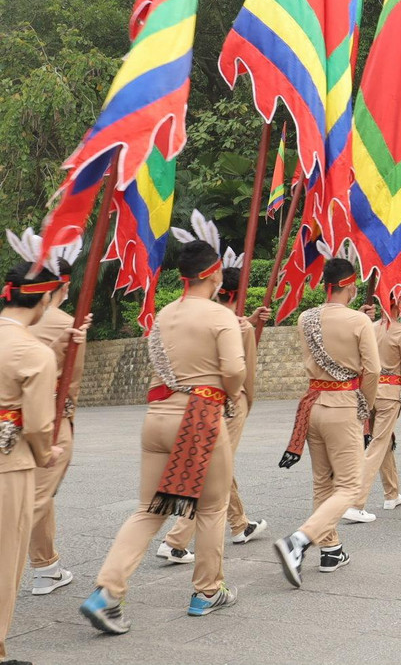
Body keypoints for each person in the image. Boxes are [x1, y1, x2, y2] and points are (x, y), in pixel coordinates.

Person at [81, 238, 244, 631]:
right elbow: (235, 371)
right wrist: (231, 394)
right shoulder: (220, 316)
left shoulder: (164, 315)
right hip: (200, 417)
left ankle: (107, 591)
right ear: (213, 273)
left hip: (157, 417)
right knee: (210, 507)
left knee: (149, 509)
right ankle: (207, 591)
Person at [271, 257, 378, 585]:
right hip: (342, 405)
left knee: (323, 482)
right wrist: (367, 407)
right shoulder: (359, 321)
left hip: (313, 405)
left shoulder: (306, 318)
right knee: (350, 485)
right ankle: (299, 541)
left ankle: (331, 548)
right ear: (348, 285)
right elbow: (372, 370)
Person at [160, 266, 270, 560]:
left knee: (217, 465)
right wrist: (246, 400)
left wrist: (249, 319)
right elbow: (243, 370)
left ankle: (240, 524)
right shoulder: (241, 327)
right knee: (214, 472)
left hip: (199, 401)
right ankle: (176, 540)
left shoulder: (202, 319)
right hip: (230, 402)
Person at [2, 260, 70, 658]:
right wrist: (47, 453)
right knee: (6, 557)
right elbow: (39, 427)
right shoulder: (32, 351)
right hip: (9, 461)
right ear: (45, 297)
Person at [23, 247, 88, 597]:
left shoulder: (11, 322)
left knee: (36, 496)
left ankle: (46, 566)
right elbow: (72, 383)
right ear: (63, 287)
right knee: (31, 501)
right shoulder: (68, 325)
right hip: (47, 417)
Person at [349, 292, 401, 516]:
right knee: (377, 444)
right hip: (390, 392)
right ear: (399, 304)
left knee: (383, 441)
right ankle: (357, 502)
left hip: (368, 390)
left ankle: (391, 493)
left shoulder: (368, 326)